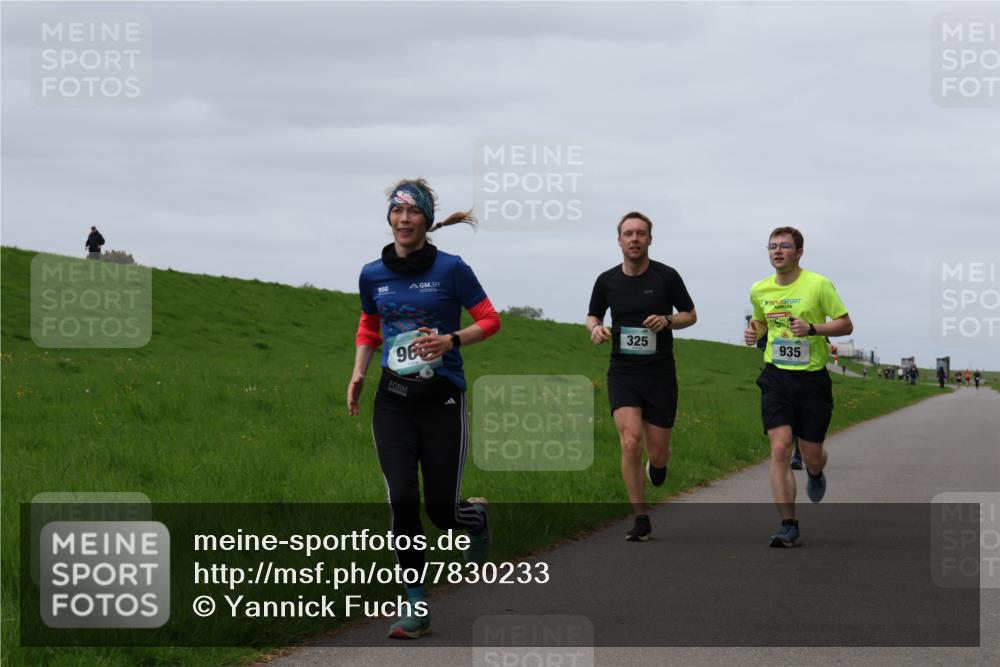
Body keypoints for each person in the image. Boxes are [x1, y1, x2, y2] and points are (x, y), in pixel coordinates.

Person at [348, 178, 501, 639]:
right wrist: (358, 372)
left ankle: (472, 518)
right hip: (392, 401)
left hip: (443, 400)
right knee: (402, 499)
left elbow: (491, 320)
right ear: (390, 218)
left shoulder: (452, 269)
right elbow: (369, 326)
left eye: (413, 212)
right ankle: (415, 605)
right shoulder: (373, 273)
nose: (404, 219)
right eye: (397, 211)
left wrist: (451, 339)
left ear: (427, 220)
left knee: (441, 510)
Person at [587, 211, 697, 542]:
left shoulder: (667, 277)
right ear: (619, 240)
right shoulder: (607, 280)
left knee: (658, 453)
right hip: (623, 372)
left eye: (640, 233)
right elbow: (592, 315)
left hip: (660, 373)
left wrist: (668, 320)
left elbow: (690, 315)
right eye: (628, 234)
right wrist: (595, 329)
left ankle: (658, 466)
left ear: (650, 239)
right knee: (630, 440)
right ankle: (640, 517)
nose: (634, 239)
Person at [744, 226, 853, 547]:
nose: (777, 251)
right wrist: (754, 332)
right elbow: (760, 320)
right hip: (776, 376)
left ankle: (816, 473)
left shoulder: (818, 284)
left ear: (799, 252)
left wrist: (813, 328)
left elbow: (845, 323)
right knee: (779, 448)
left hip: (811, 379)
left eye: (785, 246)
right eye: (772, 246)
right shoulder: (760, 289)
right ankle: (788, 524)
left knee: (812, 454)